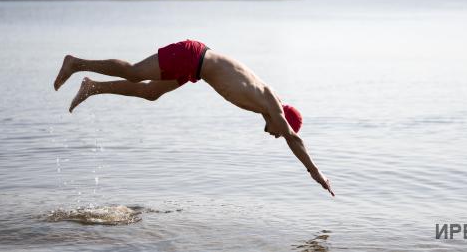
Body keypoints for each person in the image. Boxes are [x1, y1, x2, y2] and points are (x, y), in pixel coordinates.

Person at [54, 39, 334, 196]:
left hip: (195, 68)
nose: (271, 133)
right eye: (277, 131)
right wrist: (314, 171)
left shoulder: (264, 105)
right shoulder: (271, 100)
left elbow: (287, 134)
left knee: (150, 94)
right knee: (135, 72)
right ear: (284, 119)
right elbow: (293, 138)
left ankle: (93, 87)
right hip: (193, 56)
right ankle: (76, 63)